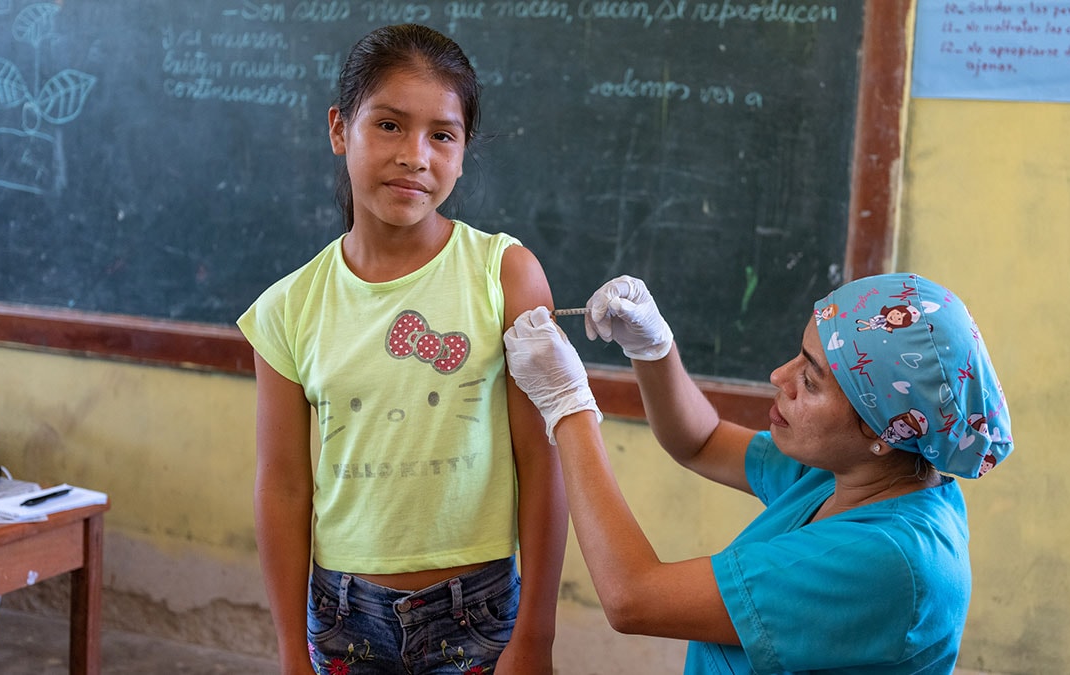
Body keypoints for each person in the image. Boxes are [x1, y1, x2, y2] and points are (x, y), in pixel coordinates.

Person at [237, 24, 567, 675]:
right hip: (341, 616)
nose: (415, 154)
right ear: (340, 129)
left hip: (479, 613)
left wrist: (536, 635)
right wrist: (289, 651)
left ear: (464, 150)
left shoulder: (506, 275)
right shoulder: (288, 307)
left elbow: (541, 456)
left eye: (441, 134)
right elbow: (282, 485)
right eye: (388, 125)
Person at [503, 273, 1014, 674]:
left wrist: (567, 406)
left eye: (810, 381)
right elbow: (700, 442)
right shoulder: (856, 471)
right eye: (799, 356)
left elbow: (631, 598)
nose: (779, 377)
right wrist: (653, 348)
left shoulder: (892, 564)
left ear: (883, 430)